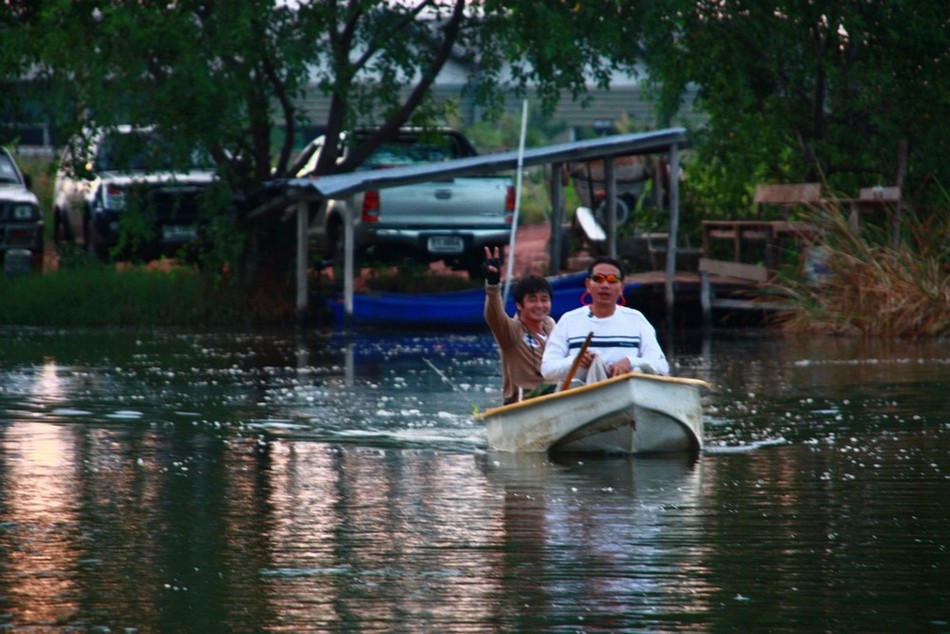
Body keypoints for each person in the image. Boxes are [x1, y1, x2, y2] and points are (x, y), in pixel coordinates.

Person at [541, 256, 669, 386]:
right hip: (581, 393)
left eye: (612, 280)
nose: (605, 285)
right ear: (587, 285)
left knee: (640, 371)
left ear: (622, 286)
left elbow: (661, 365)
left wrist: (630, 362)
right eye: (598, 279)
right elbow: (547, 369)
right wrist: (575, 361)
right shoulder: (569, 320)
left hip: (625, 388)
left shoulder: (636, 319)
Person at [482, 246, 556, 404]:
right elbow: (493, 316)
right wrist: (493, 285)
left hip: (554, 397)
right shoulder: (511, 331)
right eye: (532, 299)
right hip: (521, 404)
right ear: (519, 305)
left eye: (544, 299)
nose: (539, 305)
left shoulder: (551, 326)